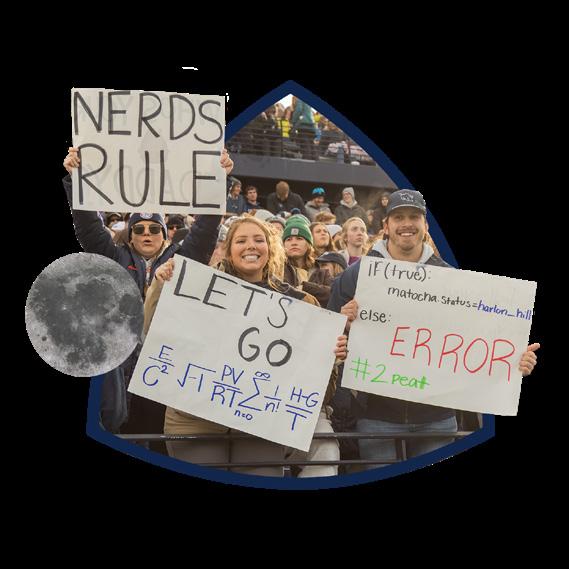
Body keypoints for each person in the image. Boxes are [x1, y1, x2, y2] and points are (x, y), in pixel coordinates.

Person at [328, 189, 540, 469]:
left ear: (425, 225)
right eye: (398, 217)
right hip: (375, 415)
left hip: (436, 417)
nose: (407, 224)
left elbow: (480, 339)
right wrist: (342, 322)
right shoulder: (355, 276)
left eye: (414, 217)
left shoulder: (451, 279)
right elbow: (327, 341)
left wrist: (515, 359)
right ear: (385, 226)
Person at [144, 216, 348, 477]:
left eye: (258, 240)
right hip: (194, 420)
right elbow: (154, 331)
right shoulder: (196, 287)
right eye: (241, 240)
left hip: (261, 422)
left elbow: (319, 389)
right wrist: (160, 285)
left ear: (270, 248)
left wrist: (330, 357)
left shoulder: (301, 303)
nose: (251, 246)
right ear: (228, 250)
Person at [62, 146, 234, 436]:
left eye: (154, 229)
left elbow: (205, 230)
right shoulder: (113, 256)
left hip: (166, 365)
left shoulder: (182, 258)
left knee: (157, 438)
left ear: (164, 235)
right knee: (122, 432)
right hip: (120, 368)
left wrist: (219, 181)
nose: (146, 234)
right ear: (130, 235)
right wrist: (78, 180)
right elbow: (89, 226)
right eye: (139, 229)